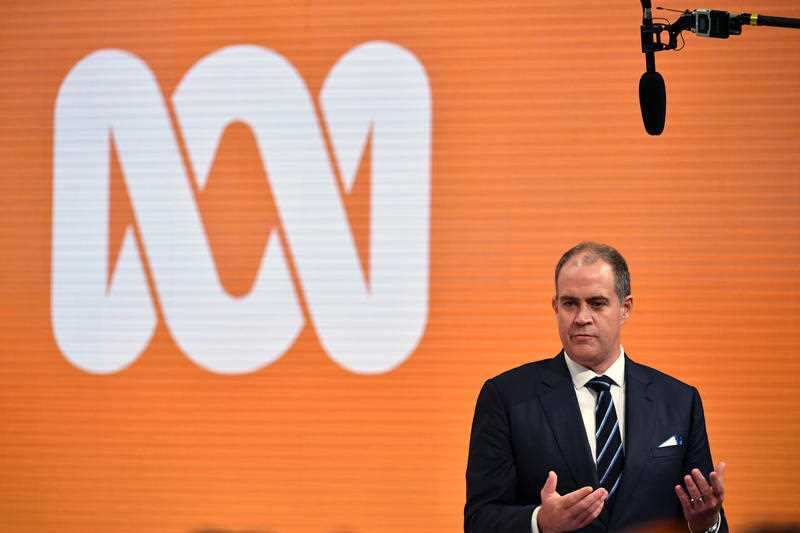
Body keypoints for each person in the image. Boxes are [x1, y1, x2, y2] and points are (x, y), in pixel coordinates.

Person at [464, 242, 727, 532]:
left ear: (625, 308)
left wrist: (707, 524)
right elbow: (480, 519)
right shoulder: (507, 397)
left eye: (597, 303)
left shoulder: (678, 401)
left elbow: (706, 512)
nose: (581, 318)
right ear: (555, 307)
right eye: (569, 303)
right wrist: (539, 522)